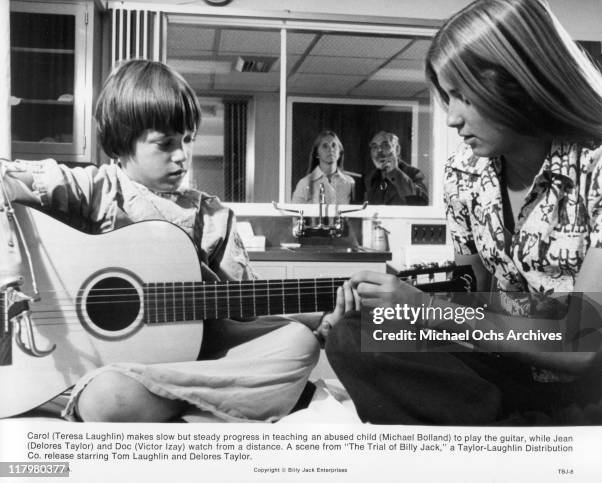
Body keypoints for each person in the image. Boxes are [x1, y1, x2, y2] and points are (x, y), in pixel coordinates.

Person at [0, 59, 350, 422]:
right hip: (109, 367)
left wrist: (320, 320)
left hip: (194, 362)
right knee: (110, 394)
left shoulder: (211, 218)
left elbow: (247, 308)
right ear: (122, 143)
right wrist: (7, 259)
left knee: (299, 344)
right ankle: (175, 402)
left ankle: (159, 398)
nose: (181, 156)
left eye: (187, 140)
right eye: (165, 144)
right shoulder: (97, 189)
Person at [325, 0, 602, 425]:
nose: (452, 119)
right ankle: (508, 428)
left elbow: (584, 343)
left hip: (594, 384)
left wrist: (422, 310)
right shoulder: (464, 172)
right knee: (353, 336)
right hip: (507, 366)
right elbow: (470, 295)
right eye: (446, 97)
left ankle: (516, 431)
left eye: (463, 96)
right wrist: (385, 308)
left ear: (521, 81)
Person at [363, 131, 428, 205]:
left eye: (385, 146)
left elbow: (421, 202)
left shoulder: (414, 174)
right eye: (374, 147)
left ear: (397, 150)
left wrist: (393, 172)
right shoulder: (370, 178)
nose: (379, 151)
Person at [291, 130, 355, 204]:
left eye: (334, 145)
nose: (330, 149)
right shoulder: (305, 183)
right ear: (317, 153)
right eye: (325, 146)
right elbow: (295, 214)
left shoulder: (350, 183)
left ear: (340, 152)